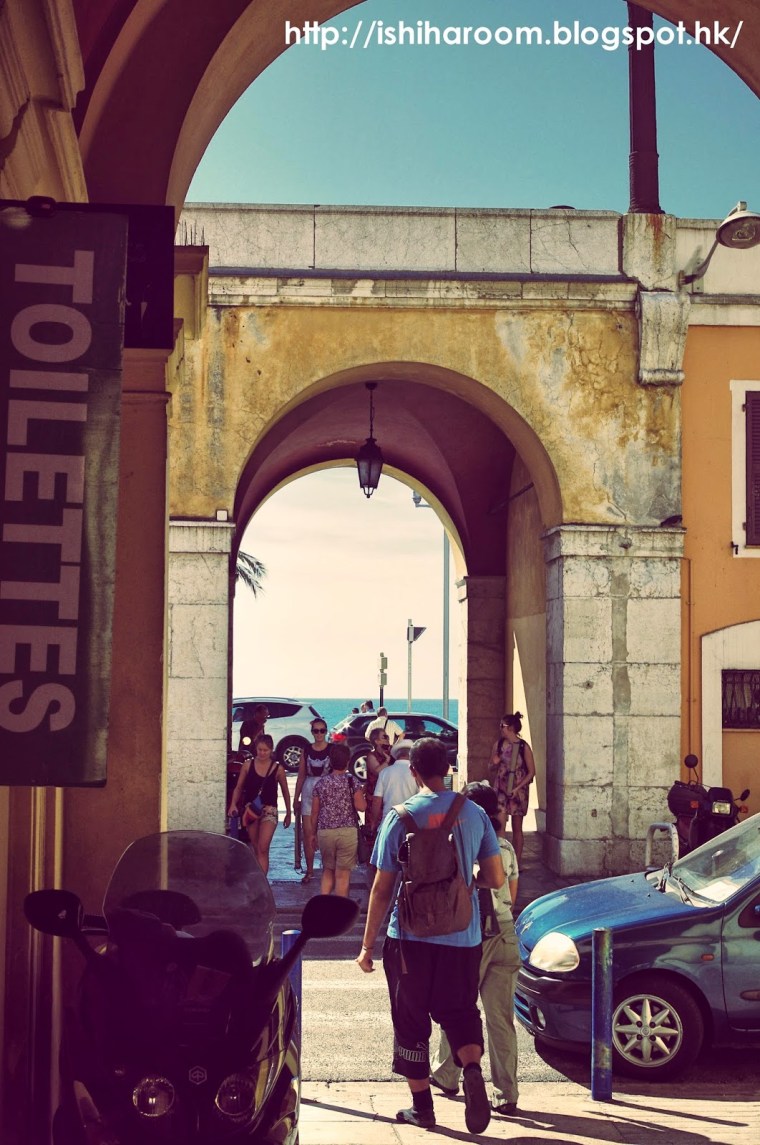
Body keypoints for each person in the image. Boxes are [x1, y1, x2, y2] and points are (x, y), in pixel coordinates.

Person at [355, 738, 504, 1134]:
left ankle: (423, 1108)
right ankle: (471, 1069)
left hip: (409, 939)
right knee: (460, 1012)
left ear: (413, 771)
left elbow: (382, 888)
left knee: (411, 1020)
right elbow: (496, 877)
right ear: (448, 769)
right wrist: (466, 880)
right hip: (462, 937)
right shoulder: (473, 813)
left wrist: (367, 946)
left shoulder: (400, 817)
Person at [430, 782, 521, 1117]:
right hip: (505, 933)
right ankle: (506, 1093)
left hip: (471, 936)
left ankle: (447, 1074)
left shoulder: (463, 845)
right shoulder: (506, 848)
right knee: (501, 1019)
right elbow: (510, 895)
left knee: (457, 1008)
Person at [227, 733, 291, 875]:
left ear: (271, 750)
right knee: (256, 846)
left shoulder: (278, 769)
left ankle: (262, 881)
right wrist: (233, 804)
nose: (262, 753)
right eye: (260, 749)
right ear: (256, 748)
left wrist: (288, 812)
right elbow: (239, 787)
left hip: (270, 810)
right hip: (251, 810)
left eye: (265, 750)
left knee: (263, 847)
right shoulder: (247, 765)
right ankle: (258, 876)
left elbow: (285, 792)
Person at [310, 742, 366, 896]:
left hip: (325, 832)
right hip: (347, 832)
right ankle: (340, 908)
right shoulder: (352, 782)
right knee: (342, 874)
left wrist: (312, 834)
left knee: (328, 870)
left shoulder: (321, 783)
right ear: (348, 761)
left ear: (330, 761)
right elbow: (361, 807)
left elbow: (314, 812)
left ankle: (323, 905)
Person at [488, 711, 536, 863]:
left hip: (518, 792)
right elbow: (490, 767)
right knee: (500, 826)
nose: (500, 728)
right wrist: (493, 763)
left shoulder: (523, 747)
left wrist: (518, 788)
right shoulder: (498, 745)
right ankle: (502, 861)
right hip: (501, 789)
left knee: (517, 828)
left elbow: (531, 772)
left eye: (502, 726)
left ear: (510, 728)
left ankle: (516, 862)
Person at [293, 717, 331, 884]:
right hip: (308, 790)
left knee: (326, 834)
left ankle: (327, 870)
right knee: (308, 833)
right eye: (316, 731)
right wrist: (296, 797)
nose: (319, 734)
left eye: (322, 730)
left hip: (327, 791)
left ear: (326, 731)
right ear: (312, 732)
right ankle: (309, 870)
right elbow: (301, 774)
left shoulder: (332, 749)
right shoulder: (306, 750)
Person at [369, 739, 417, 831]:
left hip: (388, 823)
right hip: (411, 824)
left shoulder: (385, 772)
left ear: (396, 755)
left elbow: (376, 801)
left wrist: (373, 823)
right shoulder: (417, 773)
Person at [364, 725, 392, 806]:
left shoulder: (391, 752)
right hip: (375, 795)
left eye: (387, 736)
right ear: (377, 741)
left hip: (388, 794)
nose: (387, 738)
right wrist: (387, 761)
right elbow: (378, 772)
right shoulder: (371, 756)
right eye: (384, 737)